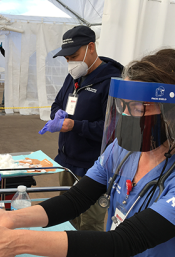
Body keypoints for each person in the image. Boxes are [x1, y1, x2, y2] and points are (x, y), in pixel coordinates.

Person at [0, 48, 175, 257]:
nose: (127, 115)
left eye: (138, 108)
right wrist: (12, 219)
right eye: (123, 107)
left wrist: (16, 241)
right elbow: (75, 200)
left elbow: (122, 242)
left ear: (174, 114)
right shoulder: (122, 150)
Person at [49, 25, 123, 231]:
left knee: (90, 225)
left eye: (74, 56)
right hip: (66, 162)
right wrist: (57, 115)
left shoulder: (111, 82)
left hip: (92, 167)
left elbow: (112, 131)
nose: (70, 63)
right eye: (66, 59)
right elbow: (57, 103)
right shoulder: (74, 77)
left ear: (91, 47)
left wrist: (74, 125)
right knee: (65, 220)